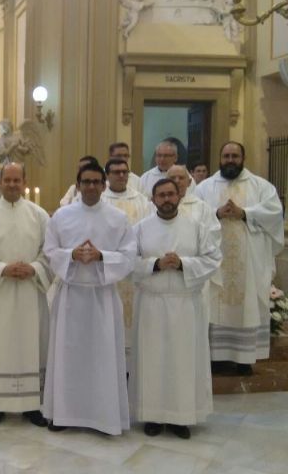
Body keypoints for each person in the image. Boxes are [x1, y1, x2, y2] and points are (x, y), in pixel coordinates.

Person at [43, 163, 136, 435]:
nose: (92, 186)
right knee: (67, 359)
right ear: (78, 184)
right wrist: (70, 255)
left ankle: (104, 418)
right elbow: (49, 251)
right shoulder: (61, 216)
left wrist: (102, 256)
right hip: (71, 296)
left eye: (97, 181)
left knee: (102, 359)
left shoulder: (118, 218)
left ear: (104, 184)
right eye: (86, 181)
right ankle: (63, 414)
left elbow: (130, 256)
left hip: (102, 298)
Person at [130, 179, 221, 439]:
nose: (167, 199)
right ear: (153, 199)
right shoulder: (140, 229)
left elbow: (213, 259)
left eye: (171, 194)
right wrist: (156, 264)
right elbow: (128, 262)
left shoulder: (196, 227)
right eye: (161, 195)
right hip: (152, 304)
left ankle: (181, 417)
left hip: (185, 304)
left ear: (180, 196)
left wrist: (183, 264)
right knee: (152, 360)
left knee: (182, 362)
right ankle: (153, 416)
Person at [0, 162, 52, 427]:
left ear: (24, 181)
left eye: (17, 180)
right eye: (8, 180)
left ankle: (32, 406)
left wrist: (34, 268)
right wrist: (3, 269)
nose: (13, 185)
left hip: (30, 291)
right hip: (0, 293)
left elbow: (49, 253)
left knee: (31, 344)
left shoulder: (40, 216)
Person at [195, 141, 284, 375]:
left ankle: (244, 358)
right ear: (220, 158)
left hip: (249, 264)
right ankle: (215, 357)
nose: (230, 160)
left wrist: (245, 213)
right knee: (214, 301)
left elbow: (274, 214)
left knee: (247, 305)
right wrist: (216, 213)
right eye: (226, 156)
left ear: (243, 158)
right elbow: (193, 214)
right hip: (216, 261)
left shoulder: (260, 186)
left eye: (235, 156)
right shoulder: (205, 187)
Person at [102, 158, 151, 347]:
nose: (122, 176)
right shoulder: (100, 200)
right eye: (116, 172)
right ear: (107, 176)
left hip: (134, 269)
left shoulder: (141, 201)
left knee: (133, 319)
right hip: (109, 270)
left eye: (125, 172)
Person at [167, 165, 220, 248]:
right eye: (172, 178)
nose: (177, 181)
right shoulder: (156, 207)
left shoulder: (203, 208)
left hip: (193, 257)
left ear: (189, 182)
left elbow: (213, 234)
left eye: (181, 178)